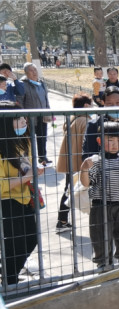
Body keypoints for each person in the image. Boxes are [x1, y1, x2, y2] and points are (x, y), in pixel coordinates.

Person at [79, 121, 119, 272]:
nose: (115, 144)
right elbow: (86, 183)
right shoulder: (95, 160)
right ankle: (103, 262)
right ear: (99, 140)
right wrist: (84, 169)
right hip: (101, 205)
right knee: (101, 234)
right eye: (111, 140)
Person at [0, 101, 43, 285]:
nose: (24, 120)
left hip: (24, 198)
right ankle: (9, 281)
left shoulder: (21, 141)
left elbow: (24, 164)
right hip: (6, 202)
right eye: (18, 118)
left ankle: (9, 275)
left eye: (24, 116)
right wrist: (27, 177)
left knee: (30, 239)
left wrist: (32, 169)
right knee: (14, 244)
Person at [55, 93, 92, 233]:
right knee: (71, 190)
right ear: (86, 105)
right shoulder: (85, 121)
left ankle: (62, 220)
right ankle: (62, 220)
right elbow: (85, 144)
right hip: (79, 162)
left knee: (68, 188)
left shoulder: (73, 118)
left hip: (70, 160)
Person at [18, 62, 52, 165]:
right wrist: (23, 116)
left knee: (42, 138)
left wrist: (49, 112)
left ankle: (42, 157)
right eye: (31, 70)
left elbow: (46, 99)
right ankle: (28, 159)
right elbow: (20, 101)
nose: (34, 72)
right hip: (30, 118)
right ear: (26, 73)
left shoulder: (41, 83)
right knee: (29, 140)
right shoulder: (23, 84)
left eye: (35, 70)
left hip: (43, 116)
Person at [82, 86, 119, 160]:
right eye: (110, 103)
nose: (114, 106)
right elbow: (88, 153)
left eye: (118, 103)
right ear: (103, 103)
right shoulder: (94, 124)